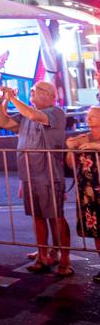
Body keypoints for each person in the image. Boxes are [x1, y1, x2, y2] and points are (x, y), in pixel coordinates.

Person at [0, 82, 73, 277]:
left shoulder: (55, 113)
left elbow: (35, 115)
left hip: (49, 174)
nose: (31, 93)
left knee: (56, 216)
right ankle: (43, 254)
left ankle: (64, 257)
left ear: (49, 94)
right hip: (29, 173)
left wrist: (12, 98)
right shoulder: (26, 114)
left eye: (34, 90)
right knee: (37, 216)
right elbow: (4, 123)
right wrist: (0, 103)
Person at [67, 105, 100, 283]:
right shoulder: (83, 138)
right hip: (88, 189)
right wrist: (71, 148)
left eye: (94, 115)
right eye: (88, 115)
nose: (89, 118)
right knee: (96, 230)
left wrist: (96, 146)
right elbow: (71, 164)